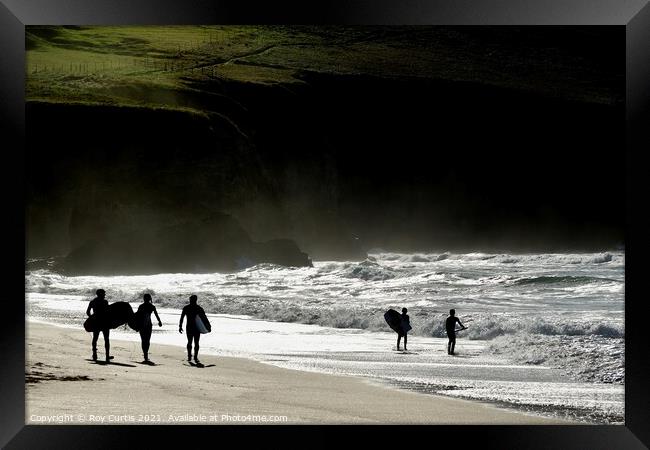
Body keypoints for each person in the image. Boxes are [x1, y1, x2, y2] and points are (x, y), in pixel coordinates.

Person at [179, 295, 211, 364]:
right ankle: (195, 357)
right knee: (196, 342)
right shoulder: (198, 308)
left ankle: (190, 356)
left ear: (191, 300)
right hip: (196, 328)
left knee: (190, 342)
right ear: (196, 300)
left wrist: (180, 326)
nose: (190, 301)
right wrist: (208, 326)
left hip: (190, 327)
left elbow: (182, 318)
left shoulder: (186, 308)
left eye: (191, 299)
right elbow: (204, 318)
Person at [86, 288, 112, 362]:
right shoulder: (105, 302)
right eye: (104, 293)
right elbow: (108, 312)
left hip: (96, 322)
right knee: (106, 339)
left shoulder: (92, 302)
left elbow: (88, 312)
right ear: (100, 294)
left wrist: (92, 318)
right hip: (104, 322)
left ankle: (94, 353)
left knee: (95, 338)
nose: (105, 295)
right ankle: (107, 355)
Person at [137, 293, 162, 363]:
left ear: (144, 299)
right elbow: (156, 315)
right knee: (147, 340)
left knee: (143, 340)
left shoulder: (141, 306)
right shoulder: (151, 306)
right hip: (148, 325)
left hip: (142, 325)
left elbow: (137, 316)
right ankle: (146, 354)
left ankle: (145, 354)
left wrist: (136, 325)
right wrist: (159, 321)